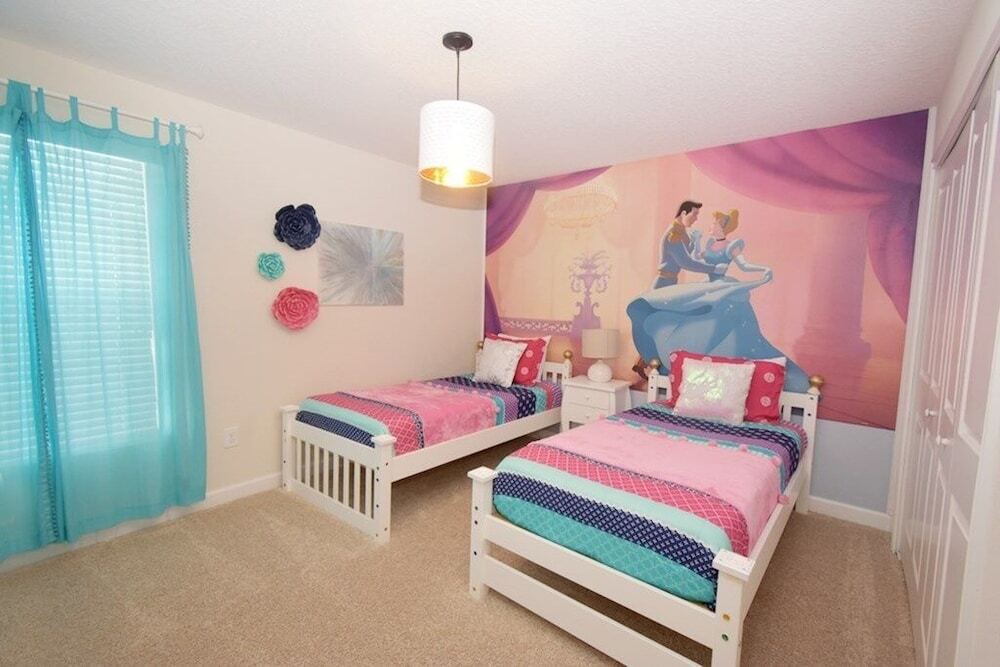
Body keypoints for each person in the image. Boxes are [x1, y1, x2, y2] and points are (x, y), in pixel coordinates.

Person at [627, 208, 809, 392]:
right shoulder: (709, 243)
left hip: (722, 288)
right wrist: (696, 241)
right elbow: (696, 258)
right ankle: (687, 368)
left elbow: (744, 265)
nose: (711, 225)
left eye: (714, 223)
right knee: (688, 315)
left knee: (723, 326)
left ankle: (722, 381)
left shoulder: (731, 246)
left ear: (722, 226)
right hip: (708, 286)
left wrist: (762, 270)